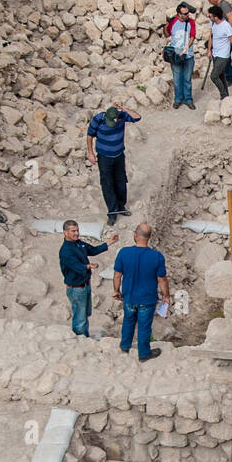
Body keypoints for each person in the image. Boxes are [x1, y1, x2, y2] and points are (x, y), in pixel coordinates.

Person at [112, 222, 169, 362]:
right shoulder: (157, 256)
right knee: (144, 326)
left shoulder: (124, 252)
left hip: (129, 297)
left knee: (128, 320)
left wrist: (116, 291)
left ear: (135, 236)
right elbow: (161, 279)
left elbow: (117, 275)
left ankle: (125, 346)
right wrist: (166, 295)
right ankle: (144, 354)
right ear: (149, 237)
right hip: (147, 299)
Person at [59, 220, 119, 338]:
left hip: (84, 285)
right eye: (73, 231)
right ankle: (81, 340)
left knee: (84, 314)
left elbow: (93, 250)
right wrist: (88, 266)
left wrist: (110, 242)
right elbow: (75, 266)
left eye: (77, 230)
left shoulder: (78, 243)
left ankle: (84, 337)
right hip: (76, 289)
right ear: (65, 233)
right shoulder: (66, 250)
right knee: (80, 317)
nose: (76, 233)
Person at [86, 101, 141, 225]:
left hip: (118, 156)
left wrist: (124, 109)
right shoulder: (99, 119)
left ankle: (121, 207)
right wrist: (90, 153)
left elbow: (137, 117)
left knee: (121, 182)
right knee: (107, 184)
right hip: (104, 157)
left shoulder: (121, 116)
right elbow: (89, 135)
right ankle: (112, 212)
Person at [164, 1, 197, 110]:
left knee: (187, 78)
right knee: (177, 79)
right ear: (179, 14)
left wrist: (187, 48)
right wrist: (166, 25)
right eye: (184, 14)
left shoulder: (191, 22)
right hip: (176, 55)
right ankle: (178, 99)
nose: (187, 15)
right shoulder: (173, 22)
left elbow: (192, 36)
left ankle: (188, 99)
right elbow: (167, 34)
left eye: (187, 13)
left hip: (188, 55)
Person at [206, 4, 232, 101]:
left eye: (210, 16)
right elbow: (211, 37)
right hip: (215, 53)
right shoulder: (213, 24)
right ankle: (226, 96)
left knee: (214, 76)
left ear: (216, 17)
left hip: (223, 55)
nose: (209, 18)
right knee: (221, 75)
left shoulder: (226, 26)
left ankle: (223, 94)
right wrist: (209, 50)